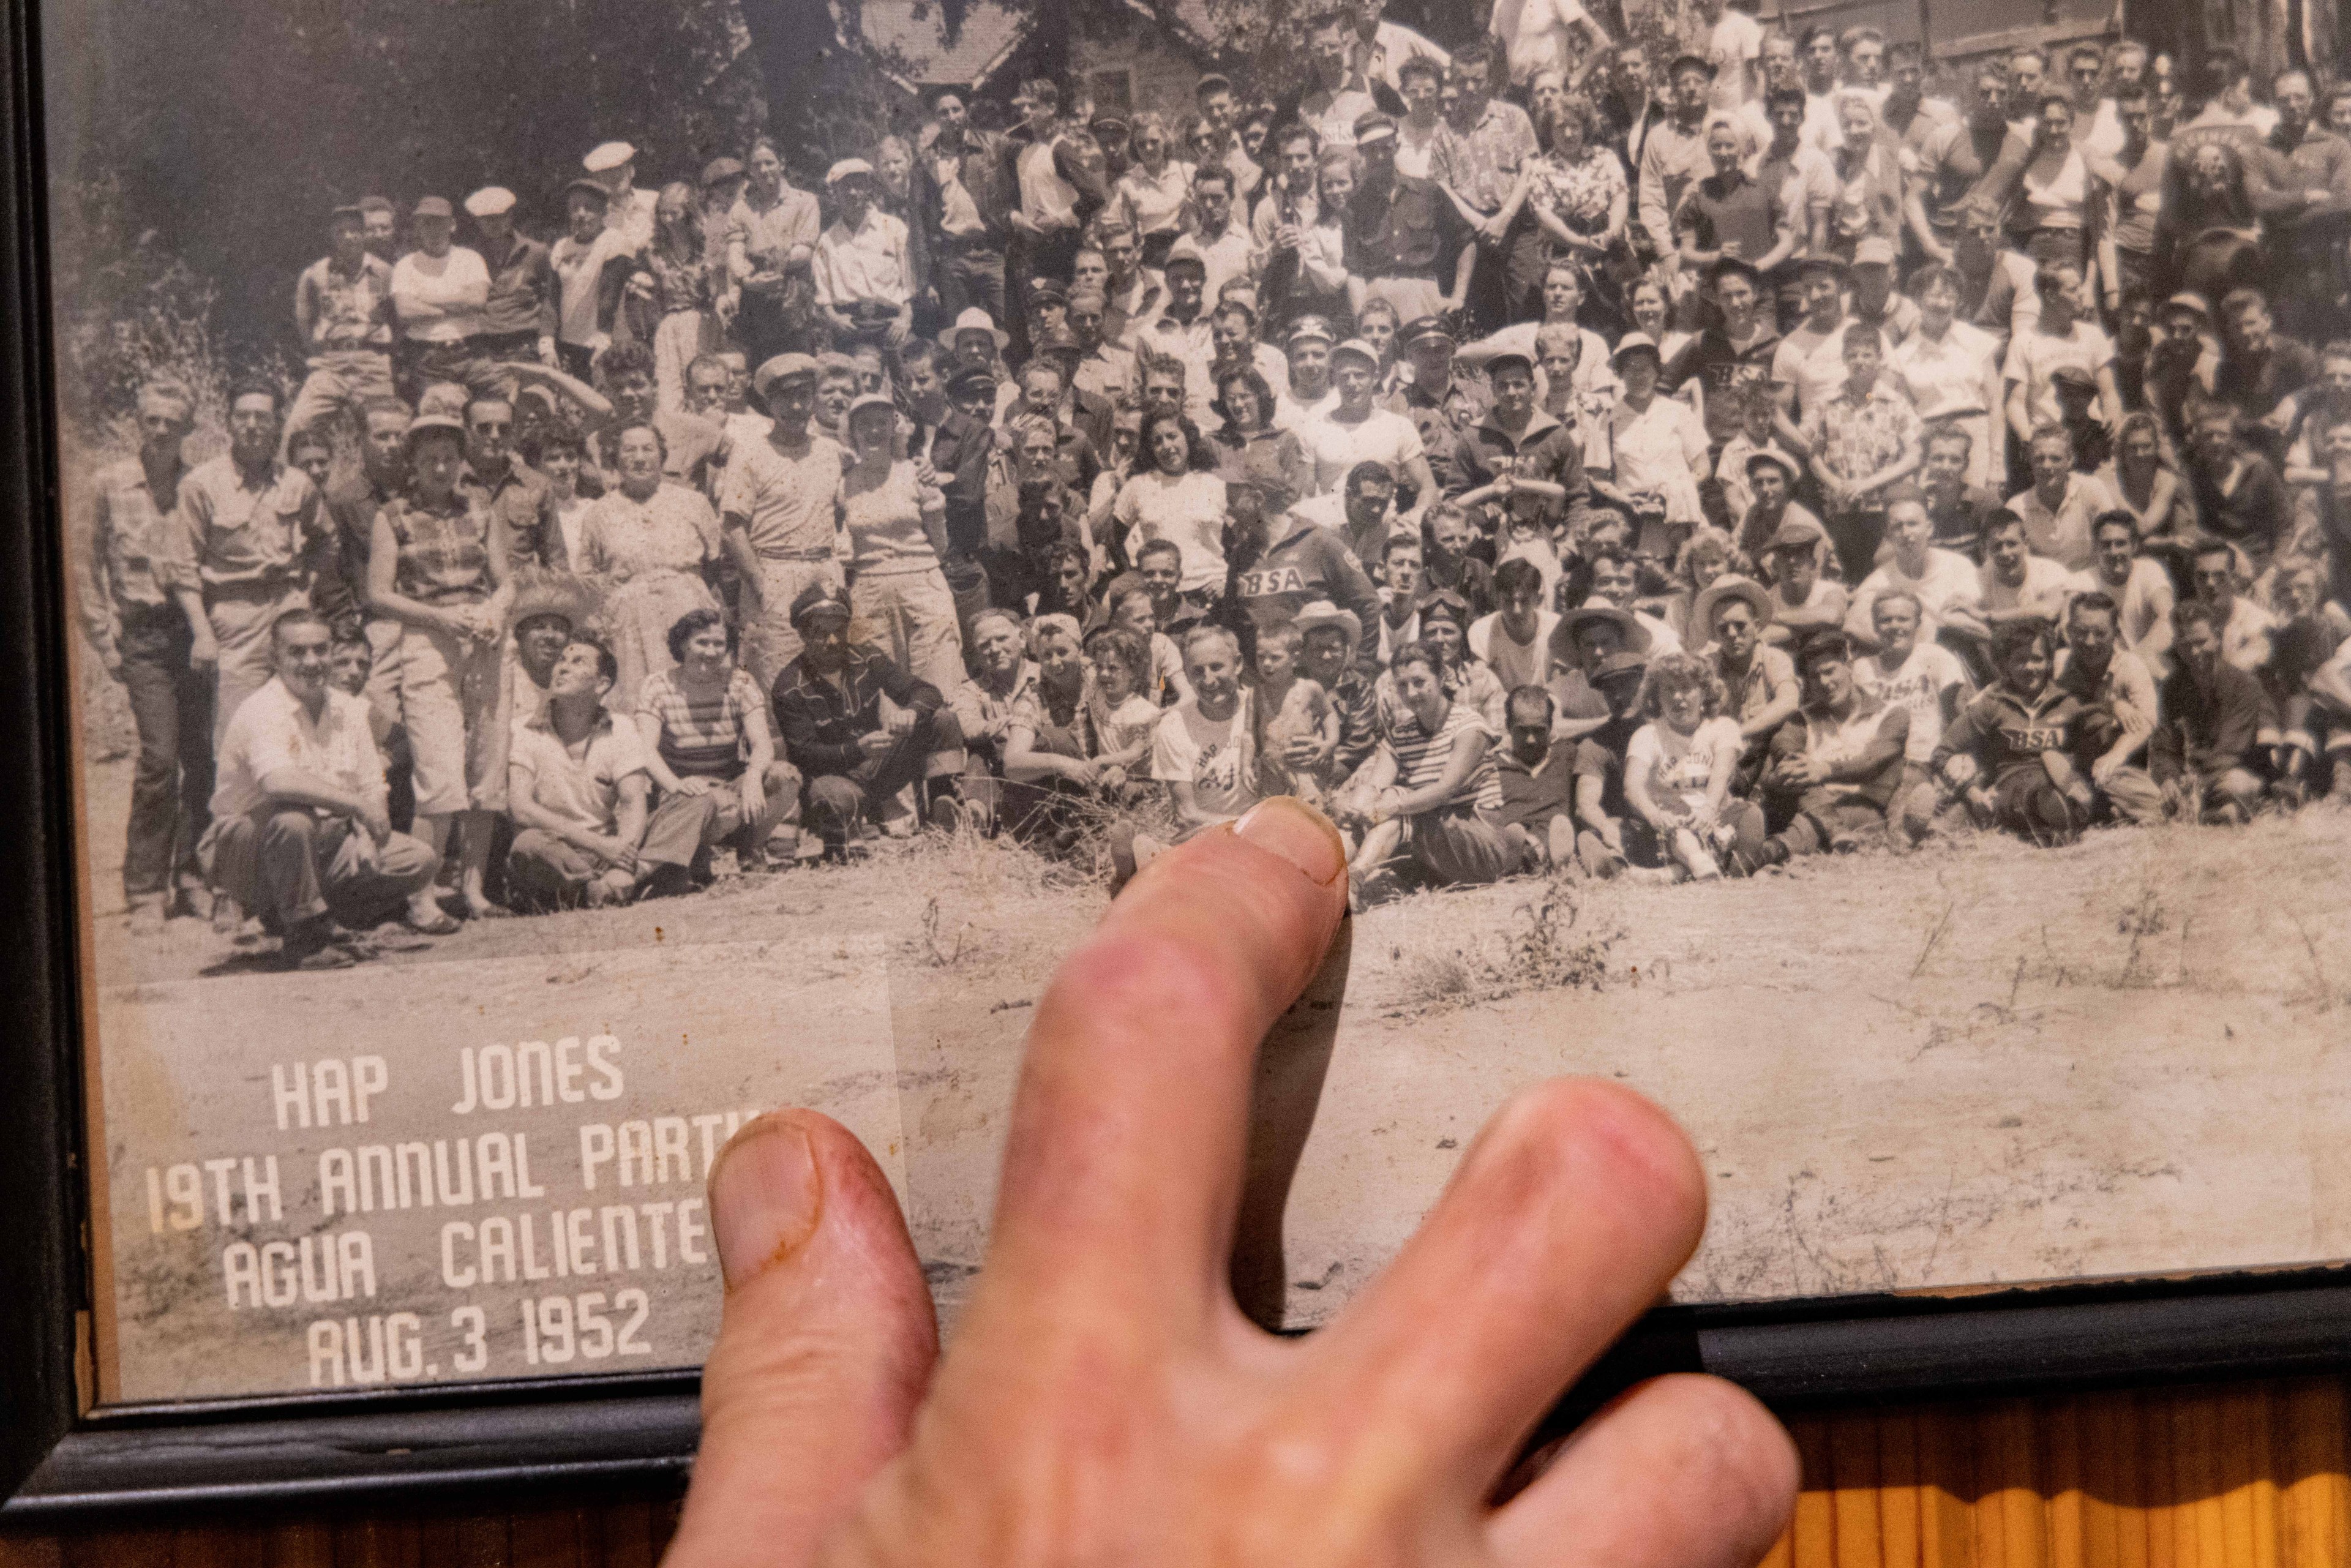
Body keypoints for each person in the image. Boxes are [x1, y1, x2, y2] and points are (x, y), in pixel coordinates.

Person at [207, 608, 447, 967]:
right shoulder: (261, 707)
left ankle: (312, 919)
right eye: (297, 652)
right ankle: (306, 943)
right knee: (292, 820)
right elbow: (278, 783)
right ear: (275, 657)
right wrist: (359, 808)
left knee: (417, 861)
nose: (312, 661)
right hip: (247, 850)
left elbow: (371, 783)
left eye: (321, 650)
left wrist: (367, 833)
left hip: (322, 843)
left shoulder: (349, 709)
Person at [83, 378, 213, 929]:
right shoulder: (108, 483)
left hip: (198, 635)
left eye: (172, 422)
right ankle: (143, 889)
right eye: (152, 420)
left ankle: (191, 877)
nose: (160, 431)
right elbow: (83, 566)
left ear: (188, 428)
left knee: (202, 757)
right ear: (139, 421)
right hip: (142, 637)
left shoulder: (198, 484)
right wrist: (103, 639)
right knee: (160, 758)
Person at [168, 377, 329, 749]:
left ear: (278, 422)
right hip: (234, 618)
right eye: (243, 416)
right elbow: (183, 568)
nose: (252, 425)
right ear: (229, 422)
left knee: (303, 721)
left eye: (262, 416)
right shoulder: (201, 485)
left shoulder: (297, 483)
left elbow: (325, 539)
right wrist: (203, 633)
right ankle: (235, 808)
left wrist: (307, 588)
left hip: (290, 608)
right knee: (237, 731)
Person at [771, 582, 968, 853]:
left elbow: (926, 692)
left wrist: (911, 711)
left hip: (880, 769)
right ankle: (842, 830)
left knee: (941, 720)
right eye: (821, 633)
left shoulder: (867, 658)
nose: (833, 641)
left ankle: (943, 821)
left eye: (840, 631)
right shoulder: (788, 685)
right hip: (830, 779)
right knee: (840, 802)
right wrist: (857, 749)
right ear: (803, 635)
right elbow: (805, 754)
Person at [1340, 639, 1513, 904]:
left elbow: (1444, 790)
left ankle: (1353, 882)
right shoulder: (1402, 735)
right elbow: (1375, 785)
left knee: (1397, 802)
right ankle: (1324, 878)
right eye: (1402, 685)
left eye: (1420, 682)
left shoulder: (1470, 728)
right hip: (1436, 849)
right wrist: (1357, 808)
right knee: (1375, 803)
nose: (1411, 693)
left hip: (1481, 846)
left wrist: (1389, 806)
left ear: (1442, 677)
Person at [634, 607, 802, 881]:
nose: (711, 652)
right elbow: (645, 750)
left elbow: (762, 745)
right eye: (702, 642)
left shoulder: (740, 683)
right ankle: (695, 852)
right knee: (709, 803)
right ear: (683, 644)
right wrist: (676, 785)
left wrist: (752, 779)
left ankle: (751, 847)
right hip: (682, 790)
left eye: (719, 644)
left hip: (727, 783)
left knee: (785, 777)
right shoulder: (658, 686)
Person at [574, 418, 724, 710]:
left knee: (695, 701)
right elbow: (588, 578)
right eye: (629, 451)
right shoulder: (599, 512)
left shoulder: (693, 502)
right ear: (615, 459)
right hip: (630, 624)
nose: (640, 458)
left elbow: (715, 566)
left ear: (662, 456)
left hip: (688, 614)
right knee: (639, 704)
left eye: (648, 449)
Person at [504, 634, 658, 909]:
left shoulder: (621, 727)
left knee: (688, 805)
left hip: (609, 848)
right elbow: (521, 808)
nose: (562, 668)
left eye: (578, 662)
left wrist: (619, 855)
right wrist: (599, 845)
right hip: (555, 849)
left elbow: (633, 803)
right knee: (527, 844)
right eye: (562, 660)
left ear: (601, 684)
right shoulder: (522, 728)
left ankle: (614, 879)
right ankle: (605, 885)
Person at [1930, 618, 2114, 843]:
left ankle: (2064, 815)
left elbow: (2103, 734)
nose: (2029, 668)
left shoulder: (2069, 702)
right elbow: (1942, 752)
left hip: (2062, 780)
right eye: (2020, 661)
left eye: (2037, 659)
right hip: (2010, 786)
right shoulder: (1992, 705)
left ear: (2049, 662)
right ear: (2005, 664)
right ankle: (2056, 818)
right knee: (2029, 798)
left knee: (2059, 779)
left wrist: (2117, 712)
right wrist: (1971, 791)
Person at [1745, 629, 1910, 865]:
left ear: (1849, 665)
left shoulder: (1892, 715)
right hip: (1805, 803)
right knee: (1793, 775)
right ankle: (1827, 835)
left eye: (1830, 671)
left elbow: (1870, 763)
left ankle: (1768, 853)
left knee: (1826, 815)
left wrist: (1824, 769)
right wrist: (1793, 770)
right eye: (1815, 676)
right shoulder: (1802, 719)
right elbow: (1784, 746)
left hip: (1864, 808)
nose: (1825, 682)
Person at [1621, 649, 1763, 880]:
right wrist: (1654, 814)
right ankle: (1695, 866)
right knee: (1677, 833)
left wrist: (1708, 810)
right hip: (1670, 824)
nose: (1678, 697)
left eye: (1686, 687)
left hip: (1715, 817)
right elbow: (1632, 786)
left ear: (1705, 692)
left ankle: (1678, 875)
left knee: (1751, 815)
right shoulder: (1648, 735)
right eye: (1668, 689)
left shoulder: (1723, 727)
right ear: (1656, 696)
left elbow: (1721, 775)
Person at [1850, 589, 1971, 836]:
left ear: (1918, 623)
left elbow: (1959, 715)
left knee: (1901, 820)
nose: (1894, 626)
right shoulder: (1863, 667)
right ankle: (1934, 820)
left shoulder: (1935, 657)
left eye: (1903, 619)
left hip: (1920, 759)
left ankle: (1909, 829)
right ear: (1875, 625)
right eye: (1886, 620)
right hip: (1876, 765)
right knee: (1863, 822)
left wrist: (1956, 759)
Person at [287, 204, 399, 452]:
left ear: (365, 234)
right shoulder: (316, 274)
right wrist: (320, 353)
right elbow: (304, 320)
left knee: (387, 433)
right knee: (298, 427)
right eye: (342, 232)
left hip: (373, 364)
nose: (349, 237)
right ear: (333, 236)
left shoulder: (385, 272)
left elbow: (398, 319)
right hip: (331, 365)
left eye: (355, 230)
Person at [2151, 597, 2274, 822]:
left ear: (2218, 639)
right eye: (2186, 644)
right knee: (2131, 783)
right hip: (2190, 780)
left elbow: (2229, 751)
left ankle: (2198, 814)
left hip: (2224, 776)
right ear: (2177, 645)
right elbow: (2163, 746)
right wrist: (2169, 779)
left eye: (2202, 642)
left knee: (2239, 785)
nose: (2195, 651)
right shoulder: (2172, 688)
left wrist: (2193, 786)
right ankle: (2207, 816)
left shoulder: (2244, 685)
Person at [2051, 590, 2164, 822]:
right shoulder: (2058, 664)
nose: (2090, 642)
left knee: (2124, 785)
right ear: (2069, 631)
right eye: (2082, 632)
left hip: (2115, 761)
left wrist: (2115, 755)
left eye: (2100, 633)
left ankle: (2105, 808)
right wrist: (2113, 705)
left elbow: (2145, 722)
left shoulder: (2131, 667)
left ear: (2116, 634)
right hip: (2070, 758)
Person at [388, 196, 497, 405]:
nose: (433, 230)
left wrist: (426, 299)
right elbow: (406, 311)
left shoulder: (470, 259)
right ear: (418, 228)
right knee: (439, 416)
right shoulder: (406, 265)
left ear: (452, 225)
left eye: (440, 223)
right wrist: (456, 305)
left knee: (493, 408)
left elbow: (477, 301)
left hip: (472, 353)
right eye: (427, 223)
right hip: (428, 358)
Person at [1844, 493, 1987, 653]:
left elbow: (1968, 619)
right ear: (1888, 535)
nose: (1906, 533)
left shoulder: (1958, 566)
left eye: (1913, 524)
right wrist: (1932, 628)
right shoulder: (1880, 580)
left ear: (1929, 528)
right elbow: (1854, 625)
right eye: (1897, 527)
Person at [2069, 509, 2176, 675]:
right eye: (2106, 545)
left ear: (2134, 546)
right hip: (2097, 668)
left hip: (2143, 662)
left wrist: (2133, 661)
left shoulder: (2148, 570)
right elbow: (2067, 628)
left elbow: (2169, 617)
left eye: (2121, 544)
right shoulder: (2083, 580)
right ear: (2096, 547)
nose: (2114, 552)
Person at [1977, 507, 2075, 625]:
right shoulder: (1979, 578)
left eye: (2012, 544)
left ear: (2026, 543)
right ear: (1985, 550)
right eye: (1997, 546)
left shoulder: (2047, 569)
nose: (2005, 553)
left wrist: (1991, 618)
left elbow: (2050, 610)